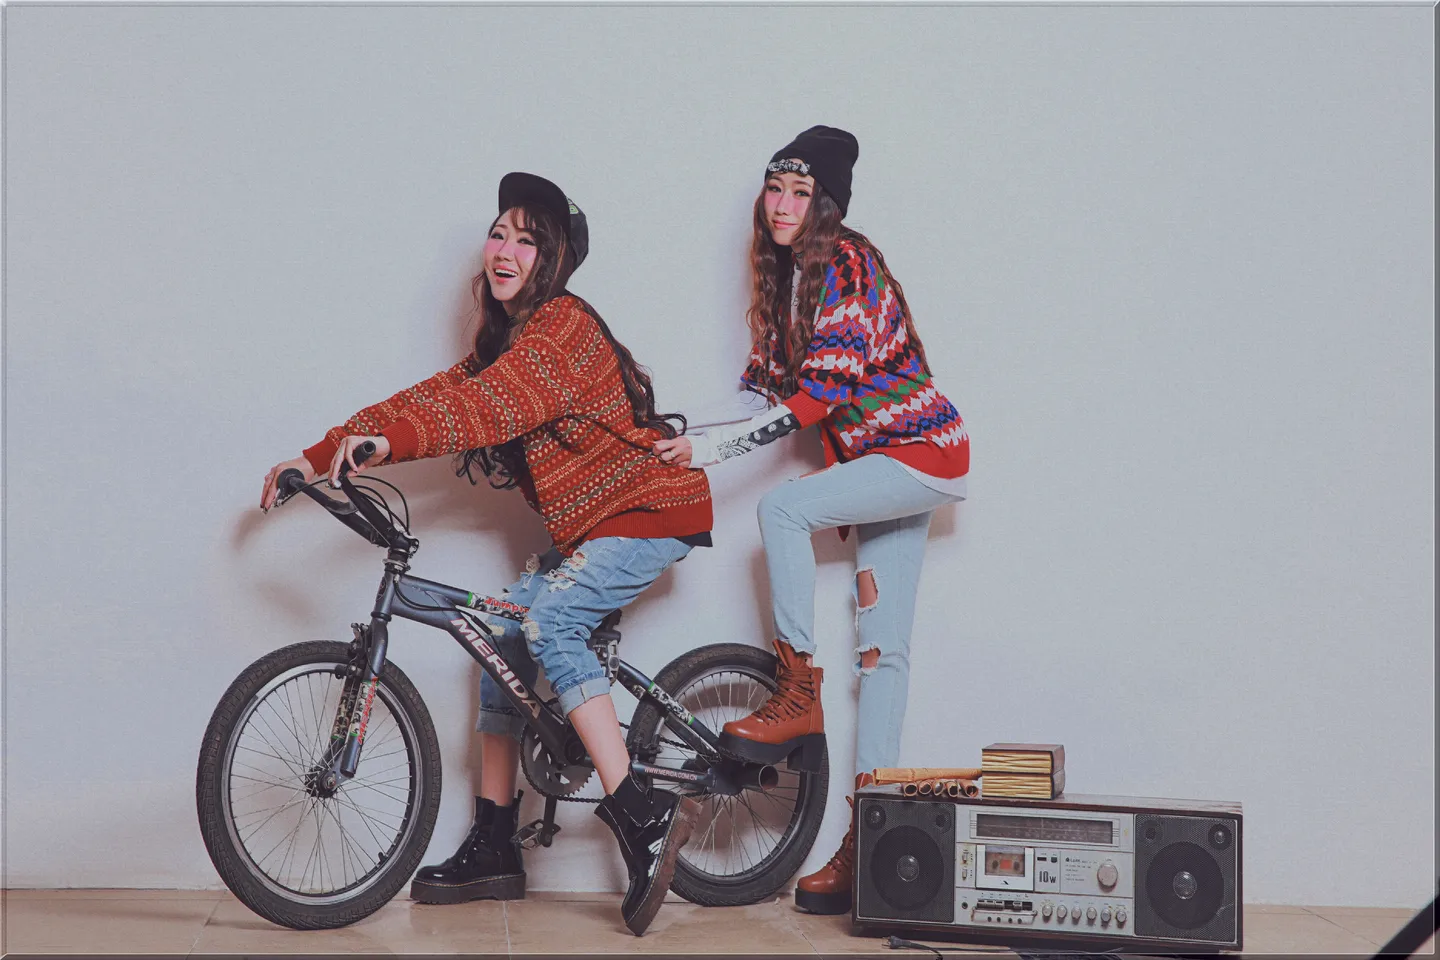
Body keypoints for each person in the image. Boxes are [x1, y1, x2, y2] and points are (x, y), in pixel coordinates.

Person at [260, 173, 710, 936]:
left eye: (527, 240)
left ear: (554, 261)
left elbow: (485, 409)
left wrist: (389, 446)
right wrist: (318, 454)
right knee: (499, 634)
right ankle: (496, 843)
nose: (505, 249)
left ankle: (642, 813)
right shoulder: (508, 343)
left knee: (552, 624)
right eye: (499, 233)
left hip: (647, 513)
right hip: (593, 529)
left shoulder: (562, 328)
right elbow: (431, 398)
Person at [653, 127, 970, 915]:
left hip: (919, 454)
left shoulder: (850, 265)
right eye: (775, 188)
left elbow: (817, 401)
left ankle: (796, 691)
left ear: (825, 205)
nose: (782, 205)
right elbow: (759, 397)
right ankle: (874, 846)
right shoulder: (786, 282)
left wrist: (711, 456)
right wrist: (681, 430)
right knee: (883, 655)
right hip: (884, 465)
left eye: (800, 192)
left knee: (782, 507)